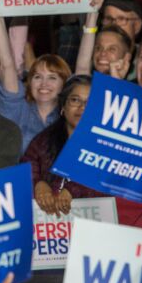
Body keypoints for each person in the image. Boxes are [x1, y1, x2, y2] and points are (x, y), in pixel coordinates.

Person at [0, 0, 100, 151]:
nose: (44, 84)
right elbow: (7, 64)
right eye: (37, 77)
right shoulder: (18, 110)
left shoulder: (72, 113)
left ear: (65, 85)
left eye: (52, 77)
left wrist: (92, 14)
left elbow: (82, 66)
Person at [21, 75, 105, 216]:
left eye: (90, 102)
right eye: (75, 100)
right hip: (48, 229)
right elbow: (24, 171)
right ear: (63, 106)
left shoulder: (108, 146)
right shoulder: (44, 140)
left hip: (94, 225)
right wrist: (38, 184)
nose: (82, 107)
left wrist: (72, 190)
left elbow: (104, 181)